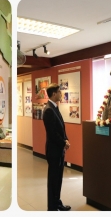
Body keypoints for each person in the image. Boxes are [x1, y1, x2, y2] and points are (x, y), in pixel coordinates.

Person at [42, 83, 71, 211]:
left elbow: (61, 128)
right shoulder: (48, 109)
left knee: (58, 179)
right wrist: (64, 143)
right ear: (54, 94)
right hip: (53, 151)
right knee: (53, 180)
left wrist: (66, 139)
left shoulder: (54, 107)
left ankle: (57, 202)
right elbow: (52, 133)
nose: (61, 94)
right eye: (59, 92)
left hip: (59, 150)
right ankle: (52, 208)